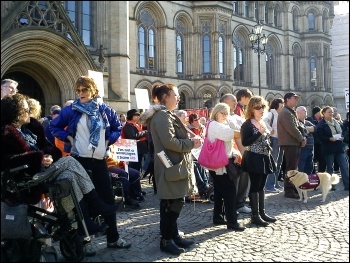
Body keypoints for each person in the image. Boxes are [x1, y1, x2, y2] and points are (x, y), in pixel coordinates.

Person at [1, 93, 117, 236]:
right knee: (69, 161)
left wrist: (48, 155)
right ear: (16, 113)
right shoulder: (6, 132)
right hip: (27, 176)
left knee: (69, 177)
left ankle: (85, 221)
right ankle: (95, 203)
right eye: (26, 110)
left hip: (44, 170)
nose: (29, 113)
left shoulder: (29, 129)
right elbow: (7, 160)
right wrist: (39, 158)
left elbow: (47, 147)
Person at [49, 76, 131, 249]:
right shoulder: (71, 110)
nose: (80, 93)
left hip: (100, 161)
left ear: (92, 90)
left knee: (108, 200)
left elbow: (117, 128)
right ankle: (85, 242)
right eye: (78, 90)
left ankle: (113, 238)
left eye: (84, 90)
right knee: (83, 202)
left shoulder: (105, 109)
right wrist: (68, 137)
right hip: (80, 162)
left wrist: (109, 140)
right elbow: (53, 127)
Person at [140, 83, 200, 255]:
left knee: (173, 200)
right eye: (176, 95)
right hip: (170, 164)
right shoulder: (162, 116)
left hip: (173, 163)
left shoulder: (165, 115)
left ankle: (173, 236)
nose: (178, 98)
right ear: (166, 97)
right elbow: (169, 142)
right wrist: (191, 143)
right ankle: (166, 240)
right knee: (172, 202)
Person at [206, 102, 246, 231]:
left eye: (227, 114)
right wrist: (251, 130)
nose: (224, 116)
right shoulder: (214, 125)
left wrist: (234, 153)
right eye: (222, 113)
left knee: (219, 191)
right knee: (230, 192)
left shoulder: (219, 124)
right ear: (216, 112)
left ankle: (217, 217)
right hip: (219, 166)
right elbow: (232, 134)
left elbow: (228, 144)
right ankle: (232, 222)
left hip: (220, 163)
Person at [240, 96, 277, 227]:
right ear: (251, 109)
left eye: (262, 107)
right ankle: (254, 216)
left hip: (264, 157)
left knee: (261, 186)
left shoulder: (262, 122)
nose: (261, 109)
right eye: (258, 107)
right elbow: (245, 142)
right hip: (254, 157)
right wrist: (259, 134)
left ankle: (262, 213)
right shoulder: (247, 124)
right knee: (255, 186)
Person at [220, 93, 251, 215]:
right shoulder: (223, 118)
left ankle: (240, 202)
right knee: (235, 180)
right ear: (224, 102)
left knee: (245, 178)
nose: (235, 102)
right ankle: (233, 205)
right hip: (233, 154)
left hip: (244, 151)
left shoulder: (237, 116)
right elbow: (233, 135)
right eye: (232, 100)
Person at [277, 92, 306, 199]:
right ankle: (289, 190)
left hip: (293, 142)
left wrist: (302, 136)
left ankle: (293, 188)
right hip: (289, 143)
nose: (296, 100)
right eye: (295, 98)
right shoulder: (285, 112)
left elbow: (298, 126)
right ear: (288, 99)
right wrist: (301, 138)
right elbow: (292, 129)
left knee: (294, 167)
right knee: (291, 168)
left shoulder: (289, 111)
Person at [316, 106, 349, 191]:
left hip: (338, 147)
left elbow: (343, 131)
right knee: (330, 168)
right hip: (328, 148)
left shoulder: (337, 122)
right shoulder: (321, 124)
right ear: (323, 113)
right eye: (329, 112)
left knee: (344, 166)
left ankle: (347, 185)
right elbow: (320, 137)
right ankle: (330, 185)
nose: (331, 113)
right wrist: (329, 138)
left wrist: (343, 137)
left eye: (332, 112)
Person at [263, 98, 284, 193]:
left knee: (279, 163)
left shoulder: (280, 114)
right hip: (274, 139)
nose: (283, 106)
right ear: (277, 105)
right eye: (281, 104)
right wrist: (270, 130)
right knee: (273, 162)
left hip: (280, 140)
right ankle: (269, 185)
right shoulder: (271, 113)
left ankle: (275, 183)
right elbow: (264, 122)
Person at [121, 109, 148, 174]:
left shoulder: (136, 125)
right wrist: (145, 132)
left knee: (138, 168)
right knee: (134, 169)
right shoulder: (128, 126)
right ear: (131, 116)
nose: (138, 117)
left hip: (139, 151)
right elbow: (133, 136)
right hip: (134, 152)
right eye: (136, 115)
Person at [306, 106, 326, 173]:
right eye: (319, 112)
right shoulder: (310, 119)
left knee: (322, 160)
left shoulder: (322, 120)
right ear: (316, 113)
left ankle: (321, 175)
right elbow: (313, 129)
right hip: (313, 142)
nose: (320, 113)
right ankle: (313, 176)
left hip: (320, 143)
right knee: (313, 160)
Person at [296, 106, 316, 174]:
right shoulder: (296, 122)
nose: (306, 112)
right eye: (304, 111)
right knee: (301, 167)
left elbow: (316, 128)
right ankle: (301, 183)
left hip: (310, 148)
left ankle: (307, 183)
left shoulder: (307, 122)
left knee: (310, 167)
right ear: (298, 113)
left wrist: (306, 129)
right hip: (302, 149)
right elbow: (300, 131)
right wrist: (308, 129)